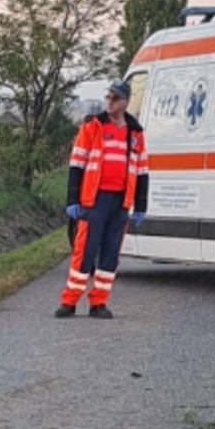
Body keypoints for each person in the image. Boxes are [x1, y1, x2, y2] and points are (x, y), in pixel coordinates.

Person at [57, 80, 147, 319]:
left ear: (126, 102)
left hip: (120, 203)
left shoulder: (135, 132)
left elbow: (141, 172)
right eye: (108, 97)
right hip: (94, 200)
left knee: (110, 253)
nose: (110, 101)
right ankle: (69, 301)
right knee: (84, 251)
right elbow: (77, 164)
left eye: (115, 98)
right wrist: (73, 200)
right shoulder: (92, 126)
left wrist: (141, 205)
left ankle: (99, 302)